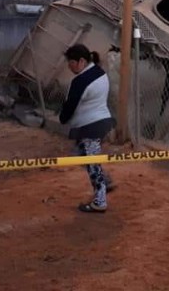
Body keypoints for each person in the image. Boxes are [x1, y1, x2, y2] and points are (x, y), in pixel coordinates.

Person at [59, 43, 116, 213]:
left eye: (71, 63)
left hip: (91, 126)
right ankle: (105, 183)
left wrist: (62, 118)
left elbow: (69, 108)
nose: (70, 67)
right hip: (100, 122)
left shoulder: (80, 81)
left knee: (92, 162)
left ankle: (100, 201)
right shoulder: (99, 72)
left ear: (81, 61)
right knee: (80, 155)